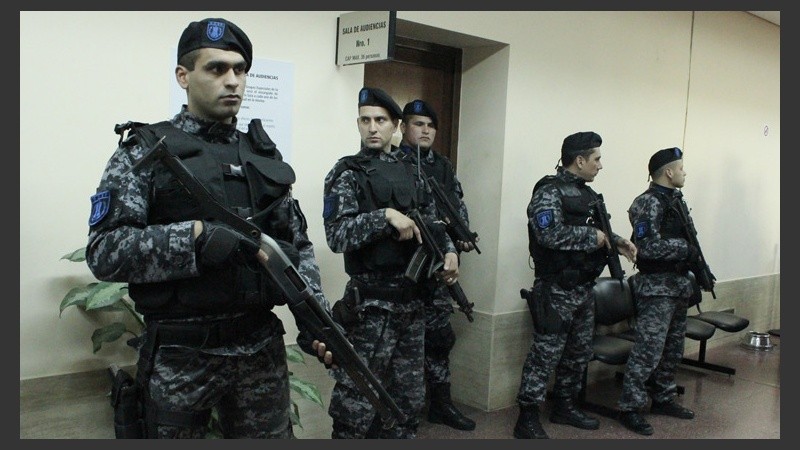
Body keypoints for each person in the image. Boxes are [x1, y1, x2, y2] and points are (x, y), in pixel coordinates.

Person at [85, 18, 333, 439]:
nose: (232, 80)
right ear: (183, 76)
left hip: (259, 351)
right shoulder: (145, 153)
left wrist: (316, 319)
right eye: (216, 69)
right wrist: (194, 237)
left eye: (240, 69)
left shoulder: (263, 154)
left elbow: (297, 246)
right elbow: (105, 251)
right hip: (182, 355)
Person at [322, 87, 459, 439]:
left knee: (408, 404)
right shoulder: (346, 173)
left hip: (412, 306)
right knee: (356, 405)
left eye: (380, 120)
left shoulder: (411, 171)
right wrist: (383, 216)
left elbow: (433, 221)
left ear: (395, 125)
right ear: (358, 124)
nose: (372, 128)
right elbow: (337, 236)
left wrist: (449, 252)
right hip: (370, 308)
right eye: (365, 120)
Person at [514, 131, 637, 439]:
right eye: (596, 159)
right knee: (545, 355)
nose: (600, 165)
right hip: (556, 289)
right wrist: (589, 238)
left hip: (583, 289)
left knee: (577, 354)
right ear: (579, 160)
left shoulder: (587, 195)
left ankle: (564, 406)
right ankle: (527, 417)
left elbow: (598, 230)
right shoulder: (549, 192)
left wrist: (618, 241)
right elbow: (547, 234)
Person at [397, 99, 476, 431]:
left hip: (438, 268)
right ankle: (400, 412)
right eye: (418, 123)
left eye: (430, 125)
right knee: (401, 345)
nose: (425, 129)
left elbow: (457, 206)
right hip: (402, 271)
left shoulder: (442, 166)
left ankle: (441, 404)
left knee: (440, 338)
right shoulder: (391, 163)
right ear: (403, 128)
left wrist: (462, 236)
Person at [617, 147, 698, 436]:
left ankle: (663, 397)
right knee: (648, 351)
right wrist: (683, 248)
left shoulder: (676, 201)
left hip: (677, 285)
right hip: (656, 288)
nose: (685, 172)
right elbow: (645, 246)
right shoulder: (647, 203)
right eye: (682, 168)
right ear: (668, 172)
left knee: (673, 349)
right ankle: (630, 406)